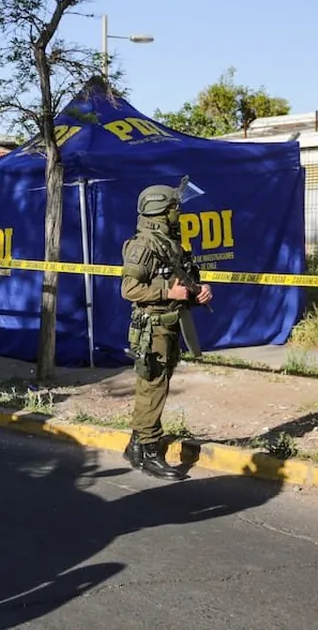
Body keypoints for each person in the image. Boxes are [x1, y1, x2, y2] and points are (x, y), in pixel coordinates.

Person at [120, 184, 213, 481]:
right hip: (153, 325)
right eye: (175, 207)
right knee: (153, 384)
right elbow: (129, 289)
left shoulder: (169, 243)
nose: (179, 212)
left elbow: (183, 280)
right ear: (161, 211)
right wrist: (167, 290)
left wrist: (198, 292)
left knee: (158, 381)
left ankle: (137, 444)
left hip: (170, 321)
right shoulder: (143, 245)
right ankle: (148, 450)